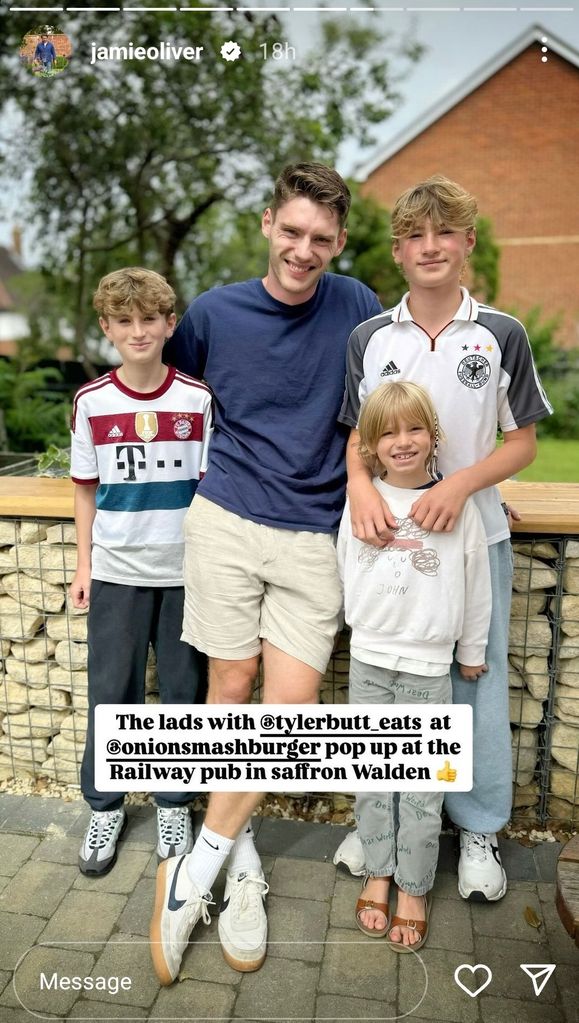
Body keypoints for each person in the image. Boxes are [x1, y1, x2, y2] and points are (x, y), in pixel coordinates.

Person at [149, 163, 382, 985]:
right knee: (231, 686)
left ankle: (194, 874)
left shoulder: (358, 305)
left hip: (314, 535)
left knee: (284, 712)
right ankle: (243, 863)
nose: (303, 250)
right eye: (291, 232)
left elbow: (393, 405)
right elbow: (165, 389)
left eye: (320, 238)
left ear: (339, 242)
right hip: (225, 516)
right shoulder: (213, 312)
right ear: (265, 225)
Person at [335, 174, 552, 902]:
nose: (430, 246)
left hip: (473, 536)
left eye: (444, 233)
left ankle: (479, 825)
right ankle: (381, 830)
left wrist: (458, 484)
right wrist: (361, 486)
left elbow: (519, 445)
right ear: (397, 250)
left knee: (471, 681)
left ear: (465, 242)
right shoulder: (368, 337)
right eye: (415, 235)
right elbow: (353, 440)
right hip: (386, 543)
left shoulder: (500, 334)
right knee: (387, 685)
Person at [338, 380, 491, 948]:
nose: (402, 442)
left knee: (423, 784)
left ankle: (415, 886)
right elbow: (344, 570)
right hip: (369, 660)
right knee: (371, 777)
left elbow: (476, 586)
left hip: (429, 666)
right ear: (370, 446)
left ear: (433, 436)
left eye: (414, 429)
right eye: (387, 433)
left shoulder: (456, 505)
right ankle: (378, 871)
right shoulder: (362, 503)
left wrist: (471, 650)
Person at [70, 267, 212, 876]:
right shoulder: (92, 402)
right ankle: (105, 805)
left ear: (168, 324)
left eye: (149, 319)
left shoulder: (197, 400)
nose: (138, 330)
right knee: (114, 693)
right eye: (123, 321)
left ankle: (173, 802)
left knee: (182, 695)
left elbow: (209, 491)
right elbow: (84, 491)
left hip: (185, 574)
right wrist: (85, 563)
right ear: (106, 328)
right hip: (118, 571)